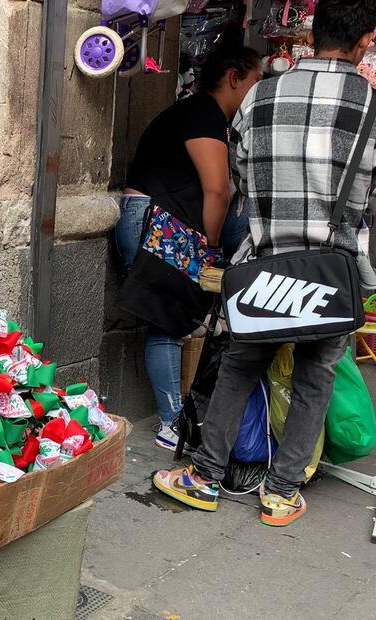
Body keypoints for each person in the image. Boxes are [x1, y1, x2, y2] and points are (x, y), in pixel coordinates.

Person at [154, 0, 376, 526]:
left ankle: (204, 477)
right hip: (333, 270)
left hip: (266, 263)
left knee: (240, 366)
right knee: (316, 377)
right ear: (366, 40)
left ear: (313, 32)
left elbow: (242, 177)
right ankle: (282, 493)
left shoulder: (260, 95)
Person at [114, 35, 262, 451]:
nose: (258, 91)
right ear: (233, 78)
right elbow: (217, 190)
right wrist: (210, 249)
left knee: (171, 322)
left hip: (162, 220)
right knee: (167, 324)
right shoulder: (202, 113)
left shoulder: (205, 115)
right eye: (256, 81)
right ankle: (172, 424)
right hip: (155, 221)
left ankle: (177, 420)